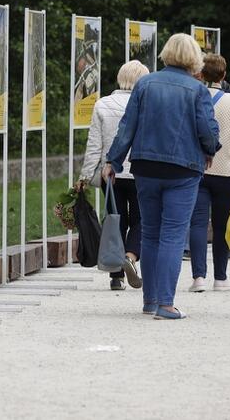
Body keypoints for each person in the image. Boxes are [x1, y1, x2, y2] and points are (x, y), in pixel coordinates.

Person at [104, 34, 220, 320]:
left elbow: (127, 126)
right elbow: (207, 130)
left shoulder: (145, 84)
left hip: (145, 167)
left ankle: (150, 300)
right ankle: (166, 304)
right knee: (172, 233)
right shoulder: (197, 90)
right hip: (183, 168)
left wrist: (113, 160)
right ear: (194, 58)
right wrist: (210, 149)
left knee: (151, 232)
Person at [78, 60, 150, 290]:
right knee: (140, 220)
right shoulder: (147, 104)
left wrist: (85, 176)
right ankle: (130, 256)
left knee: (114, 219)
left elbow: (94, 145)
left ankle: (116, 275)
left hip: (111, 174)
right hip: (140, 172)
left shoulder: (103, 104)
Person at [188, 54, 230, 292]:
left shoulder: (192, 97)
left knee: (197, 223)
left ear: (201, 74)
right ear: (224, 75)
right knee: (221, 225)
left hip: (197, 170)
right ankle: (221, 277)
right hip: (226, 173)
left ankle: (198, 277)